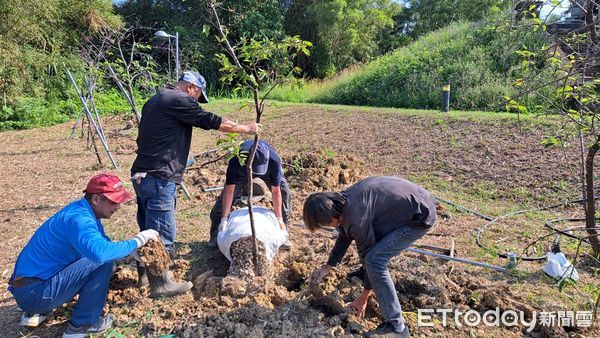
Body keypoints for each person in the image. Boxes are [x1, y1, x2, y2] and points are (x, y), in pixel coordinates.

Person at [130, 71, 261, 291]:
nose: (196, 101)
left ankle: (144, 274)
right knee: (162, 232)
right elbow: (208, 120)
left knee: (147, 229)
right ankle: (161, 284)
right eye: (198, 96)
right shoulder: (178, 99)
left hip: (142, 174)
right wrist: (245, 128)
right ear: (192, 88)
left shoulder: (156, 100)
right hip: (159, 176)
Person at [8, 174, 160, 338]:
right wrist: (137, 242)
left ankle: (35, 312)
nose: (119, 206)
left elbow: (102, 243)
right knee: (100, 262)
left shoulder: (81, 211)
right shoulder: (80, 220)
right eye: (114, 201)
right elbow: (100, 254)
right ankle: (82, 325)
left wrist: (128, 253)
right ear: (96, 199)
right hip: (36, 293)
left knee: (97, 257)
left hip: (27, 287)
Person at [303, 176, 437, 338]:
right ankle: (365, 272)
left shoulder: (355, 217)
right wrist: (328, 266)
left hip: (420, 217)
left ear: (330, 214)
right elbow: (345, 235)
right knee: (370, 253)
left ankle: (397, 327)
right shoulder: (342, 201)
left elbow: (367, 248)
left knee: (374, 260)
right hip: (413, 202)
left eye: (326, 224)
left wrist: (363, 296)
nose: (328, 227)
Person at [208, 140, 291, 248]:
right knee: (222, 201)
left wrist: (279, 219)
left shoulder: (274, 160)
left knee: (285, 193)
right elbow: (230, 190)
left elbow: (276, 191)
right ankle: (216, 233)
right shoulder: (236, 160)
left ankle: (283, 232)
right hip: (242, 172)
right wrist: (224, 219)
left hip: (268, 173)